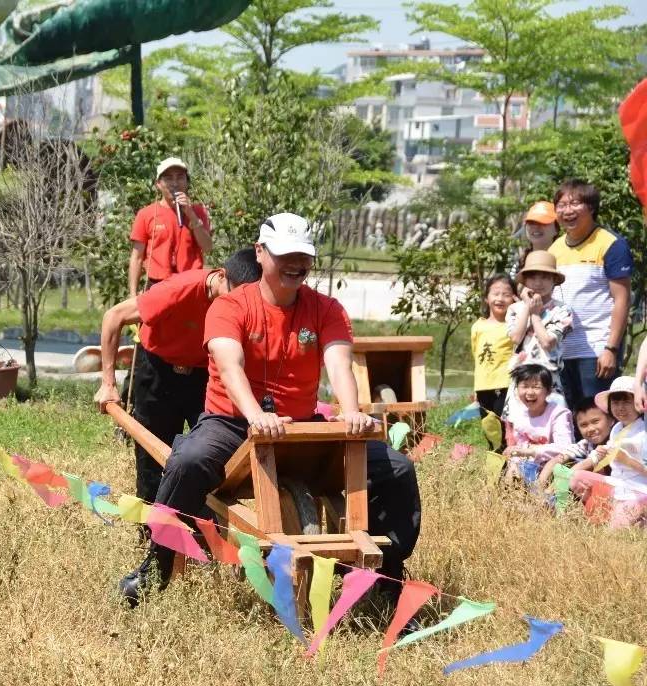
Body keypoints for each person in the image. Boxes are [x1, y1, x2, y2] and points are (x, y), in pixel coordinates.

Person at [117, 213, 421, 608]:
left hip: (302, 427)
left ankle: (387, 583)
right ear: (260, 253)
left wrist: (350, 411)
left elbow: (339, 364)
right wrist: (254, 416)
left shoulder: (326, 309)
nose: (295, 265)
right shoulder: (229, 306)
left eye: (303, 256)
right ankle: (156, 565)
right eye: (285, 255)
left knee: (397, 470)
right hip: (231, 423)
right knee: (186, 461)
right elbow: (230, 367)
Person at [94, 249, 261, 502]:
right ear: (222, 276)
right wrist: (108, 384)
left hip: (203, 378)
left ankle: (200, 528)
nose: (240, 303)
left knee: (211, 456)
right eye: (236, 293)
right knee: (151, 457)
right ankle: (151, 532)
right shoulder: (179, 289)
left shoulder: (249, 303)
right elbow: (113, 317)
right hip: (157, 374)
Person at [549, 179, 634, 407]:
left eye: (575, 203)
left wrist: (611, 349)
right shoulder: (554, 248)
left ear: (592, 207)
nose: (567, 211)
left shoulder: (611, 244)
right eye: (561, 205)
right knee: (570, 414)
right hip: (561, 350)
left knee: (598, 413)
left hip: (596, 349)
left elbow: (622, 300)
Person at [127, 157, 213, 297]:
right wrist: (132, 294)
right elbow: (136, 257)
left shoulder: (197, 211)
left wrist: (190, 214)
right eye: (168, 178)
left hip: (190, 286)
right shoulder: (146, 214)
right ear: (158, 184)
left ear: (187, 182)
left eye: (180, 177)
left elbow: (208, 247)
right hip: (157, 287)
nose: (174, 183)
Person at [504, 250, 573, 414]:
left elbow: (547, 342)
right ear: (526, 280)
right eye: (533, 277)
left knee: (555, 424)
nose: (538, 282)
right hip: (521, 378)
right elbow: (515, 337)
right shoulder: (515, 309)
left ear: (554, 280)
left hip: (549, 377)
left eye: (545, 277)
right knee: (517, 427)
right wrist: (527, 308)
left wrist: (535, 314)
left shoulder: (563, 310)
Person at [580, 376, 647, 528]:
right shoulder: (616, 428)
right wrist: (602, 453)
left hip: (638, 490)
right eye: (616, 402)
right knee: (576, 478)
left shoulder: (644, 431)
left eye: (626, 402)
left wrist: (627, 460)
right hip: (618, 486)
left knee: (613, 534)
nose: (620, 407)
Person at [535, 397, 613, 490]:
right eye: (584, 425)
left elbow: (582, 466)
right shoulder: (586, 444)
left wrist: (550, 490)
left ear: (611, 420)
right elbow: (558, 459)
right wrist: (539, 488)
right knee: (557, 465)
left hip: (619, 491)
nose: (590, 429)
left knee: (576, 474)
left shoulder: (613, 442)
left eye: (595, 421)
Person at [470, 273, 517, 428]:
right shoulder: (478, 326)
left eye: (506, 295)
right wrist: (475, 388)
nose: (500, 299)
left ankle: (507, 451)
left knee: (504, 424)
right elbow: (477, 358)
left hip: (506, 384)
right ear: (486, 298)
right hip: (483, 385)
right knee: (488, 426)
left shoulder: (514, 327)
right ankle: (493, 452)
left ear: (514, 299)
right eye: (495, 293)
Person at [502, 364, 573, 461]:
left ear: (548, 391)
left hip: (556, 466)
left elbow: (565, 448)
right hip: (529, 466)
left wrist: (530, 451)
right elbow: (519, 449)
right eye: (525, 386)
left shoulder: (559, 414)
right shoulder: (519, 416)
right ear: (517, 389)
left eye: (536, 387)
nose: (530, 392)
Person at [513, 200, 560, 275]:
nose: (536, 227)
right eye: (531, 223)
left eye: (543, 222)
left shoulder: (564, 260)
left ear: (556, 229)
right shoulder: (520, 262)